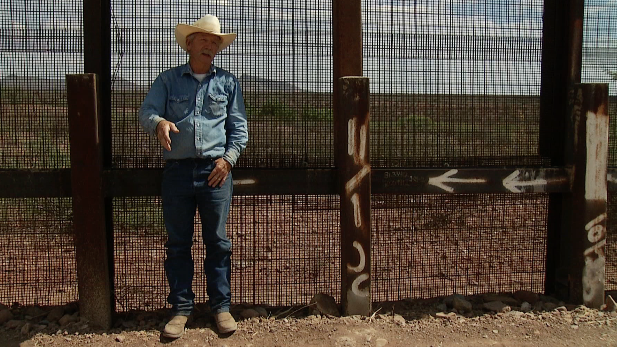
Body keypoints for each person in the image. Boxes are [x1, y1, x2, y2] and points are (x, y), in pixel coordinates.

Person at [139, 14, 248, 338]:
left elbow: (239, 130)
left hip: (216, 172)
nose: (211, 45)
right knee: (177, 244)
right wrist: (158, 123)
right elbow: (147, 111)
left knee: (218, 242)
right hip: (177, 173)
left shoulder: (228, 83)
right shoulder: (168, 80)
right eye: (205, 40)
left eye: (216, 42)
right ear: (189, 44)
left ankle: (221, 308)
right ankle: (181, 309)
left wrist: (227, 161)